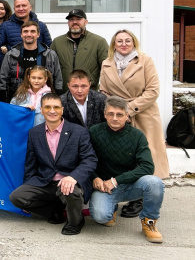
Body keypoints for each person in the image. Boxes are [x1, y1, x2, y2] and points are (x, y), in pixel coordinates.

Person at [99, 29, 169, 217]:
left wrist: (128, 109)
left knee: (145, 156)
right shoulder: (107, 63)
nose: (123, 44)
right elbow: (103, 90)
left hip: (143, 113)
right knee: (122, 155)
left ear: (134, 42)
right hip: (118, 115)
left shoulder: (145, 60)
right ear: (114, 44)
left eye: (127, 41)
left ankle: (141, 197)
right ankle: (123, 192)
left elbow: (153, 90)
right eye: (119, 41)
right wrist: (117, 110)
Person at [9, 93, 98, 236]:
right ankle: (55, 211)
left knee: (70, 190)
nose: (52, 111)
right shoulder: (34, 133)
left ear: (62, 110)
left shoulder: (79, 131)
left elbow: (90, 159)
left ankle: (75, 221)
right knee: (17, 197)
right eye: (48, 107)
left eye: (56, 107)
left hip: (70, 181)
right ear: (41, 109)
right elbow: (31, 164)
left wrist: (73, 177)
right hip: (45, 181)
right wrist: (28, 189)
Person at [89, 96, 165, 243]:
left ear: (127, 116)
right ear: (105, 114)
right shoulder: (93, 132)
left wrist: (116, 181)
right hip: (104, 186)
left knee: (155, 183)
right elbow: (84, 160)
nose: (115, 118)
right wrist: (94, 177)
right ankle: (111, 209)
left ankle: (149, 223)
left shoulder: (137, 136)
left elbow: (148, 166)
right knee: (101, 217)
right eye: (110, 114)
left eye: (119, 114)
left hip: (130, 184)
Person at [0, 21, 62, 103]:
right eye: (25, 31)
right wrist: (5, 102)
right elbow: (3, 80)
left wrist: (57, 99)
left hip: (44, 101)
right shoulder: (11, 55)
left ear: (38, 34)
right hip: (18, 101)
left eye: (32, 31)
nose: (29, 34)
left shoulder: (50, 55)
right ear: (21, 35)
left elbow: (58, 79)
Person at [51, 9, 108, 91]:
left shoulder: (99, 42)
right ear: (68, 23)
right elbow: (51, 69)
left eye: (78, 19)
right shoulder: (57, 42)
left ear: (86, 22)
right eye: (71, 20)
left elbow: (107, 70)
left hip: (88, 93)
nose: (75, 22)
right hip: (63, 93)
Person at [0, 0, 52, 68]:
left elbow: (49, 48)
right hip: (15, 71)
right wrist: (5, 69)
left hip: (37, 72)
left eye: (24, 5)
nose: (21, 8)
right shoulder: (5, 26)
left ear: (30, 7)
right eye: (18, 6)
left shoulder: (41, 26)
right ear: (14, 9)